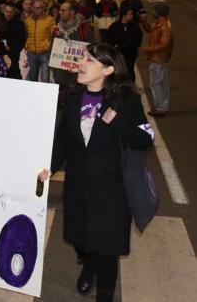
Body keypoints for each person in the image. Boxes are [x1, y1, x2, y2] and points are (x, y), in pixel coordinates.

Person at [39, 43, 154, 302]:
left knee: (108, 246)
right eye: (83, 58)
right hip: (78, 184)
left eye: (89, 60)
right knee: (79, 238)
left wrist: (118, 121)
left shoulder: (126, 100)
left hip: (112, 189)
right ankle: (88, 264)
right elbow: (64, 141)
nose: (81, 63)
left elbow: (146, 139)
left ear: (108, 69)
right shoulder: (73, 98)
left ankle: (105, 292)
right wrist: (50, 166)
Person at [51, 1, 94, 96]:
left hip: (79, 78)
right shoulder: (57, 29)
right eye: (60, 11)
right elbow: (52, 51)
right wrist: (56, 73)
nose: (60, 13)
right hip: (61, 79)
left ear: (72, 12)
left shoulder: (84, 29)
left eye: (63, 11)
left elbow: (92, 52)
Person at [140, 3, 173, 117]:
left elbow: (164, 44)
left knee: (156, 84)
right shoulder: (159, 23)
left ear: (159, 13)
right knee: (162, 83)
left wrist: (146, 49)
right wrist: (143, 20)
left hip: (159, 58)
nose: (152, 12)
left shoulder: (165, 27)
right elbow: (149, 29)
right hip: (158, 58)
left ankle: (160, 109)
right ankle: (164, 107)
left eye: (154, 11)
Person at [107, 2, 142, 82]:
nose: (131, 16)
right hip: (118, 55)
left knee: (130, 71)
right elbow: (109, 40)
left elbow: (139, 39)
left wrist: (132, 46)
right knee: (119, 72)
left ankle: (131, 88)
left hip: (131, 55)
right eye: (129, 14)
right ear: (124, 15)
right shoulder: (114, 26)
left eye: (132, 14)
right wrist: (116, 47)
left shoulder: (135, 26)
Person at [25, 0, 55, 82]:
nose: (40, 10)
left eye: (42, 8)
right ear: (32, 8)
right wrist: (27, 46)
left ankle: (45, 94)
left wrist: (48, 45)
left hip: (45, 53)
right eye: (37, 8)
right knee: (32, 78)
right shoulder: (28, 20)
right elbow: (27, 35)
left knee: (45, 79)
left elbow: (54, 35)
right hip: (32, 53)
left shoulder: (49, 19)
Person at [2, 4, 27, 79]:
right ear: (4, 11)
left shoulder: (19, 24)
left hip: (14, 54)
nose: (9, 14)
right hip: (1, 53)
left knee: (14, 73)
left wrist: (13, 48)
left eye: (11, 12)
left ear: (14, 13)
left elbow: (22, 39)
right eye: (7, 11)